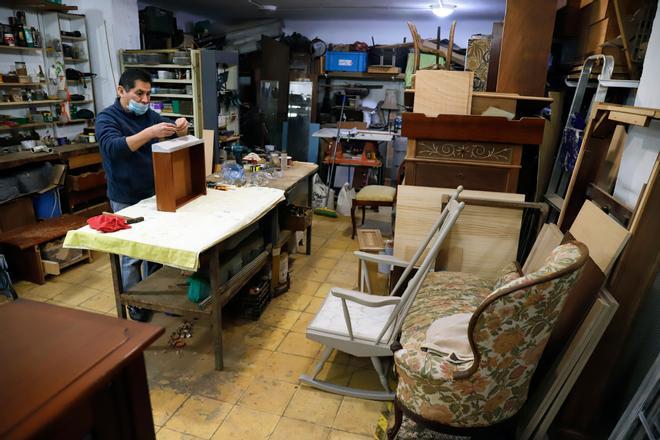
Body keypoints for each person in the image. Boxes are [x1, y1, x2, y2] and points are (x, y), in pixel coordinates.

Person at [96, 68, 189, 321]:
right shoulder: (107, 118)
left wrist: (180, 129)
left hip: (153, 194)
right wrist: (150, 133)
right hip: (125, 197)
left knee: (155, 250)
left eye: (148, 94)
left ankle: (154, 296)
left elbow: (171, 137)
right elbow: (113, 148)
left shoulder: (151, 115)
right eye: (139, 94)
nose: (145, 100)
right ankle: (135, 304)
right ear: (121, 91)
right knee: (131, 254)